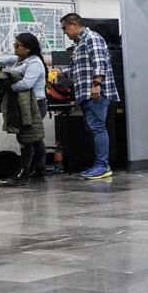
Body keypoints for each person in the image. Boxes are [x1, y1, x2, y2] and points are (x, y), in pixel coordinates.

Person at [59, 13, 120, 180]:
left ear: (73, 24)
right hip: (86, 93)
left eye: (65, 28)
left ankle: (102, 166)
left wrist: (97, 84)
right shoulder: (79, 43)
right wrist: (57, 73)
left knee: (98, 127)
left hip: (95, 92)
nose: (65, 32)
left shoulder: (91, 37)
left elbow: (100, 61)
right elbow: (74, 68)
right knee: (94, 128)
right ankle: (99, 164)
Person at [0, 33, 49, 186]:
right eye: (14, 44)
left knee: (28, 138)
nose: (14, 48)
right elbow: (5, 60)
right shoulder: (20, 60)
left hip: (35, 105)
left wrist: (7, 89)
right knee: (35, 138)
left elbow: (26, 84)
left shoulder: (34, 63)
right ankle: (39, 170)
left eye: (18, 46)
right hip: (23, 104)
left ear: (28, 49)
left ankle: (24, 172)